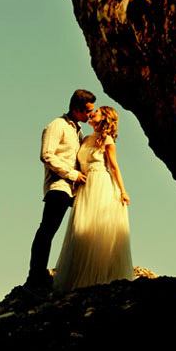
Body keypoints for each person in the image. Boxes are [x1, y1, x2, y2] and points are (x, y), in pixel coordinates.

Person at [52, 105, 136, 292]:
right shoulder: (86, 138)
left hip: (101, 183)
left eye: (96, 112)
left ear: (104, 117)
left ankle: (99, 276)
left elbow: (114, 167)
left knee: (97, 227)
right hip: (84, 186)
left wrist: (123, 191)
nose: (91, 113)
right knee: (82, 227)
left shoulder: (107, 140)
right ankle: (78, 275)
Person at [25, 89, 96, 290]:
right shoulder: (57, 126)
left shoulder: (77, 130)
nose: (90, 115)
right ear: (76, 109)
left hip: (73, 190)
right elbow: (47, 155)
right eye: (87, 111)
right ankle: (35, 275)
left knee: (83, 229)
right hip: (59, 186)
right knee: (47, 230)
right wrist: (72, 175)